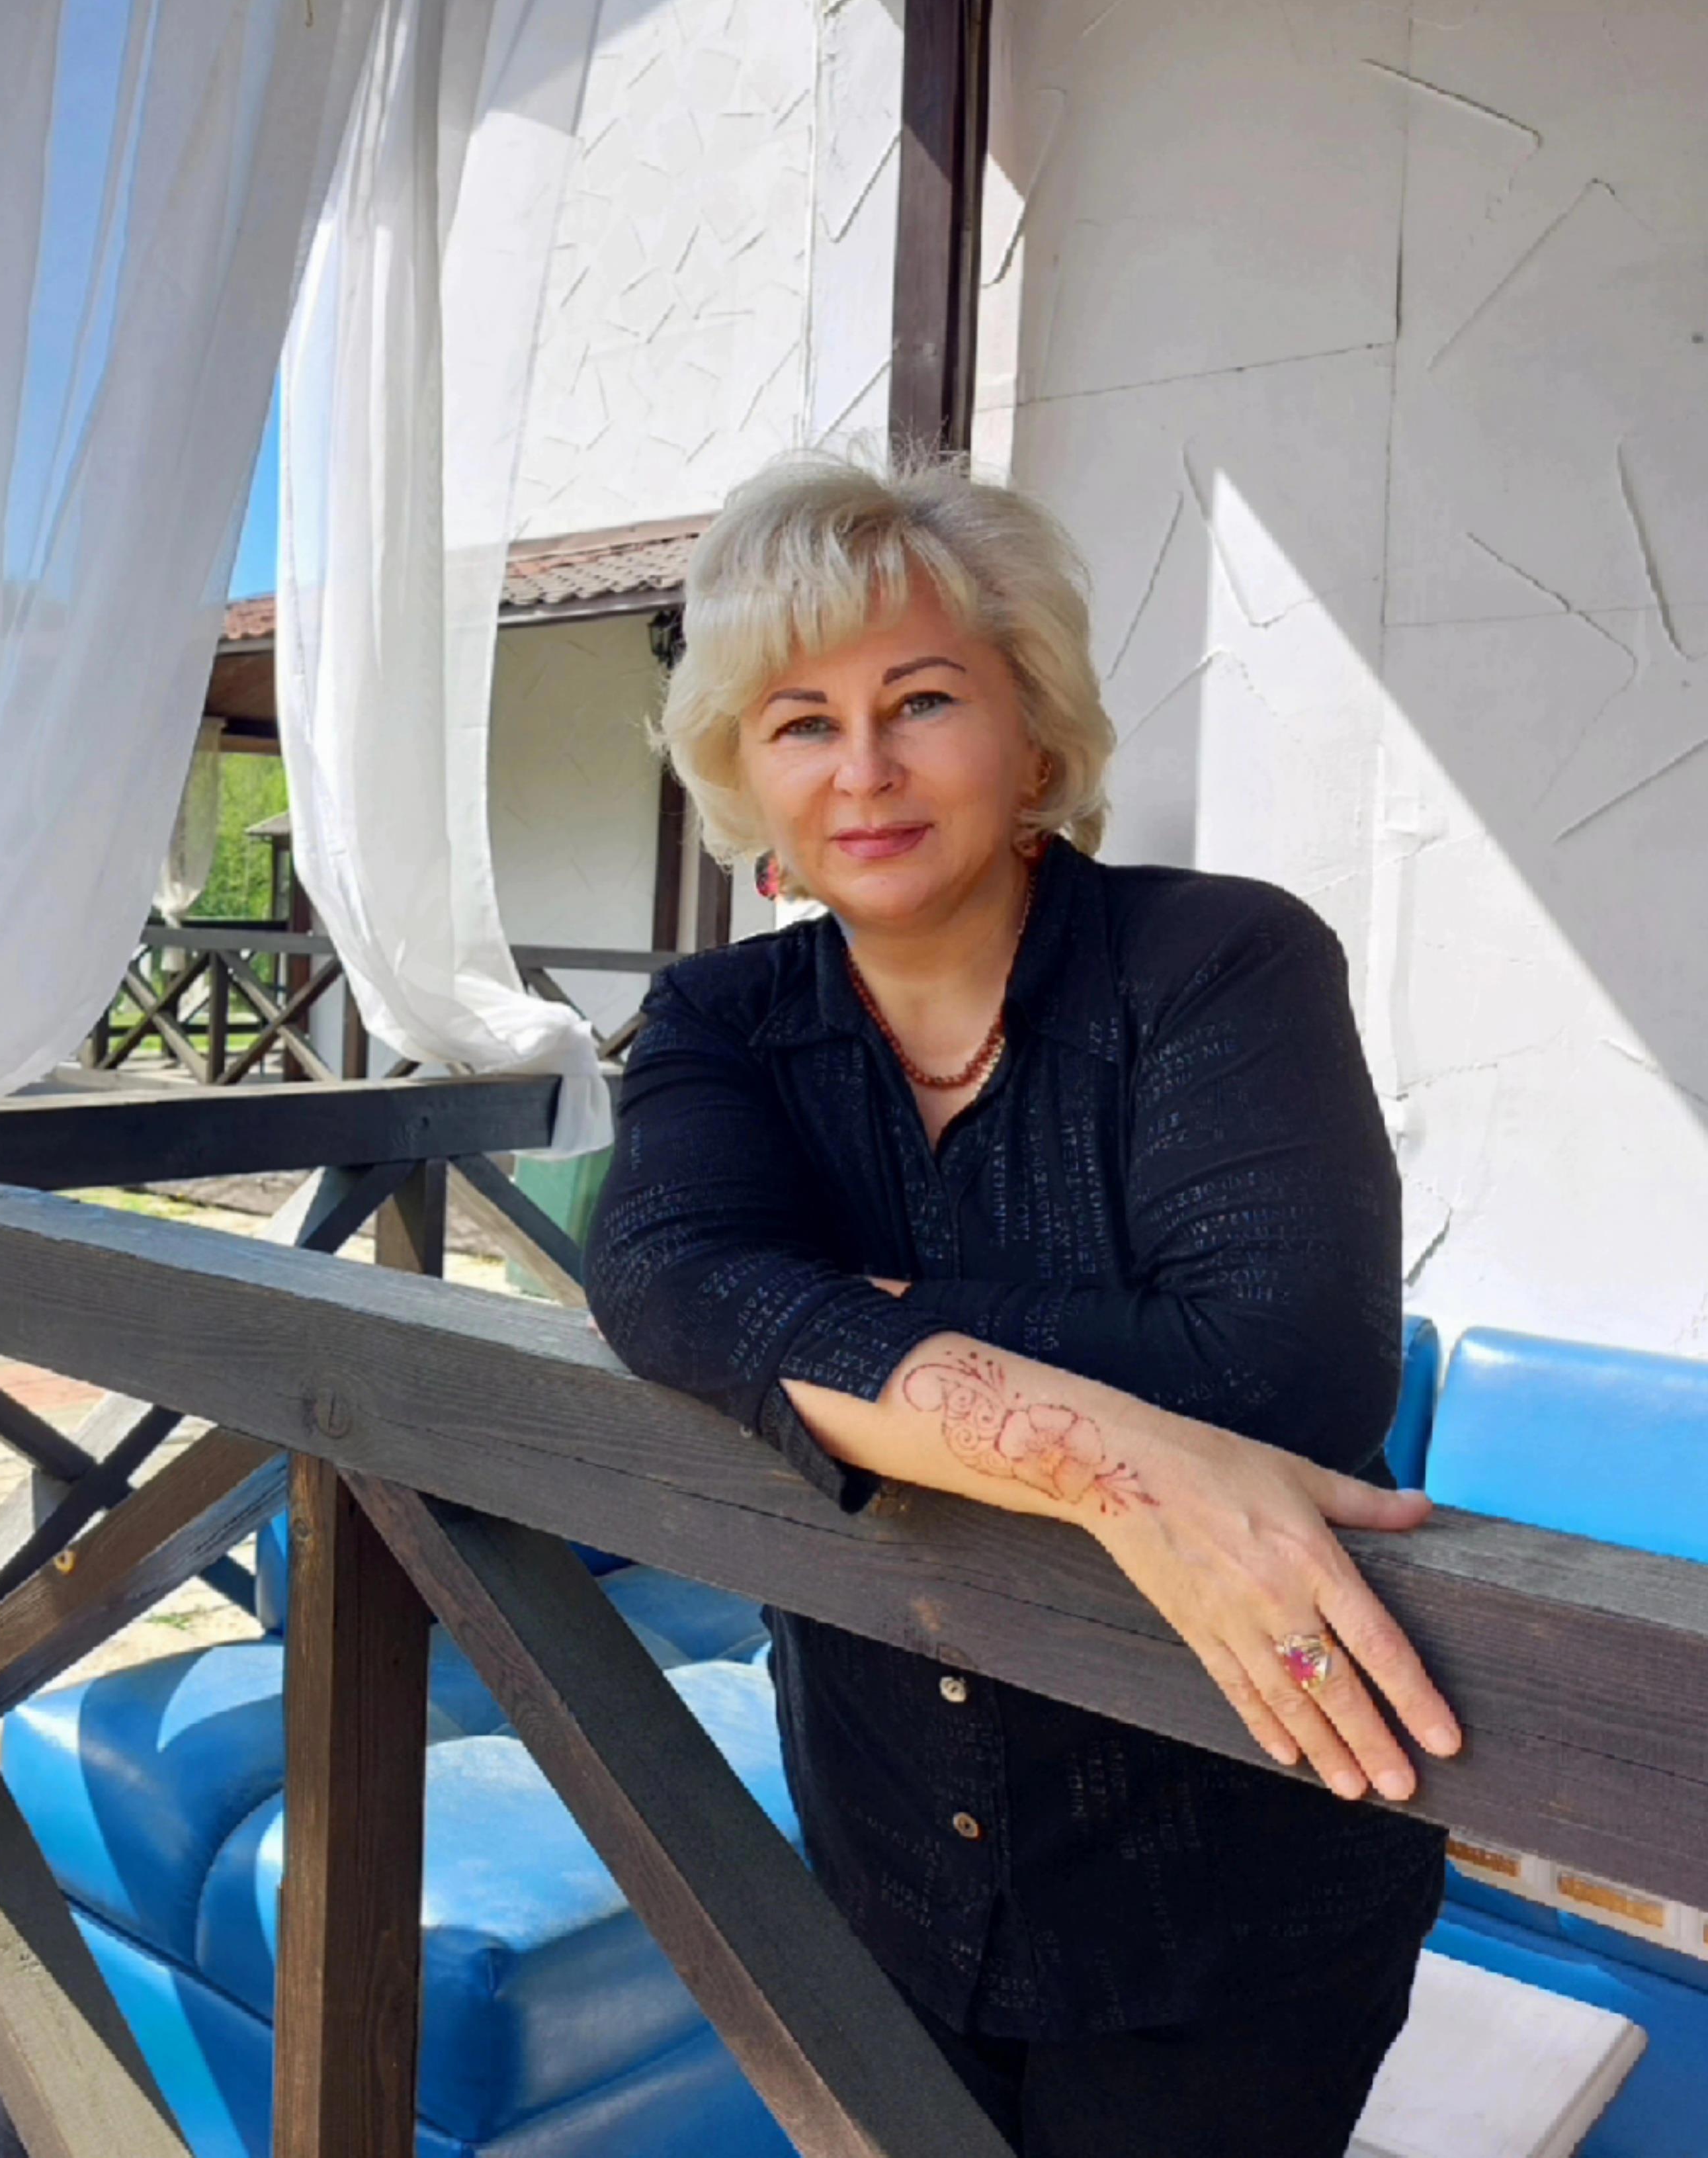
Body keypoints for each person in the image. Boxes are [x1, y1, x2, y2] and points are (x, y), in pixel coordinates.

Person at [585, 454, 1461, 2158]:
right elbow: (666, 1274)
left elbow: (1280, 1368)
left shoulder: (1218, 964)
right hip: (886, 1863)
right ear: (748, 777)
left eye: (922, 700)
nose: (865, 768)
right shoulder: (722, 1018)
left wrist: (845, 1316)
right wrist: (1102, 1445)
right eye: (802, 722)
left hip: (1236, 1896)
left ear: (1036, 737)